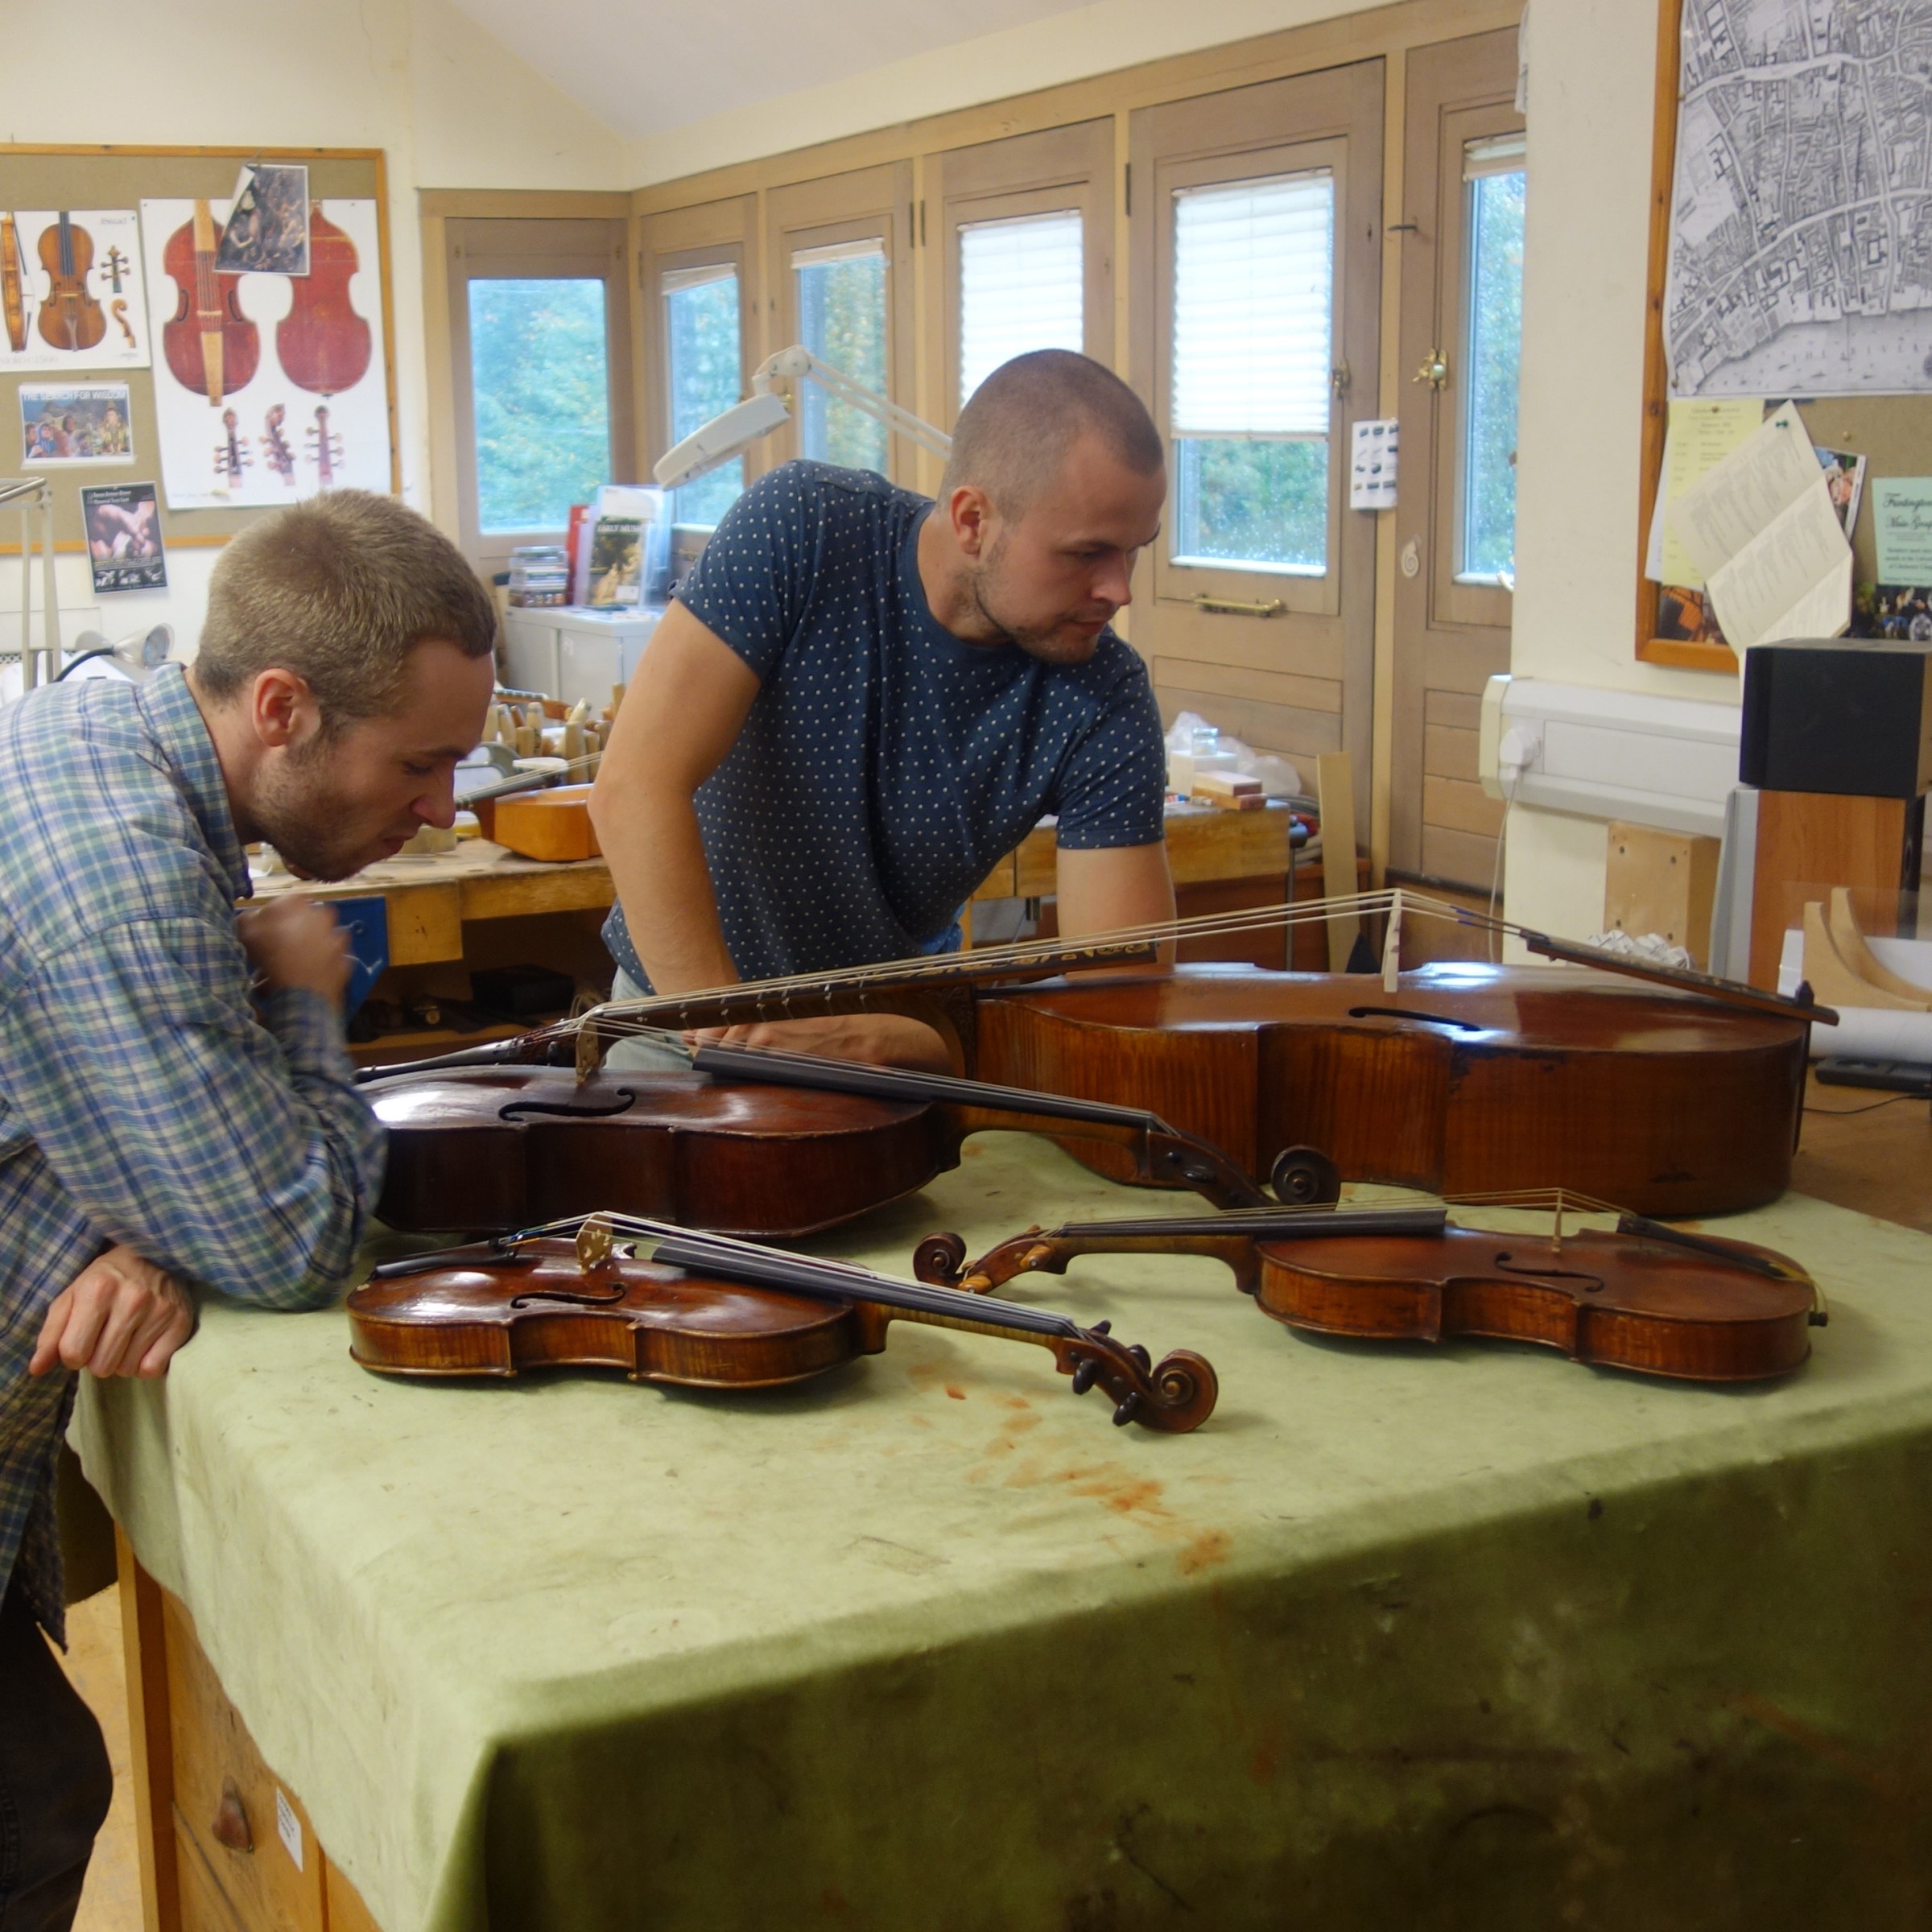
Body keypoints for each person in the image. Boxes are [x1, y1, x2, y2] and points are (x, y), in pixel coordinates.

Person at [0, 489, 496, 1931]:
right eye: (420, 763)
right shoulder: (123, 868)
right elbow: (289, 1238)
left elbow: (114, 1113)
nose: (440, 812)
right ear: (281, 706)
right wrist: (301, 999)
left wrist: (139, 1223)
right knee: (33, 1806)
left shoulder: (109, 750)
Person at [589, 349, 1174, 1073]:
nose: (1119, 590)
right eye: (1087, 554)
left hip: (891, 1050)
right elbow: (634, 787)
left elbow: (1118, 1003)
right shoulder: (805, 527)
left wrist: (921, 1042)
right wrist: (731, 1040)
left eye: (1133, 552)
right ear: (972, 520)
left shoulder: (1104, 699)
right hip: (677, 1021)